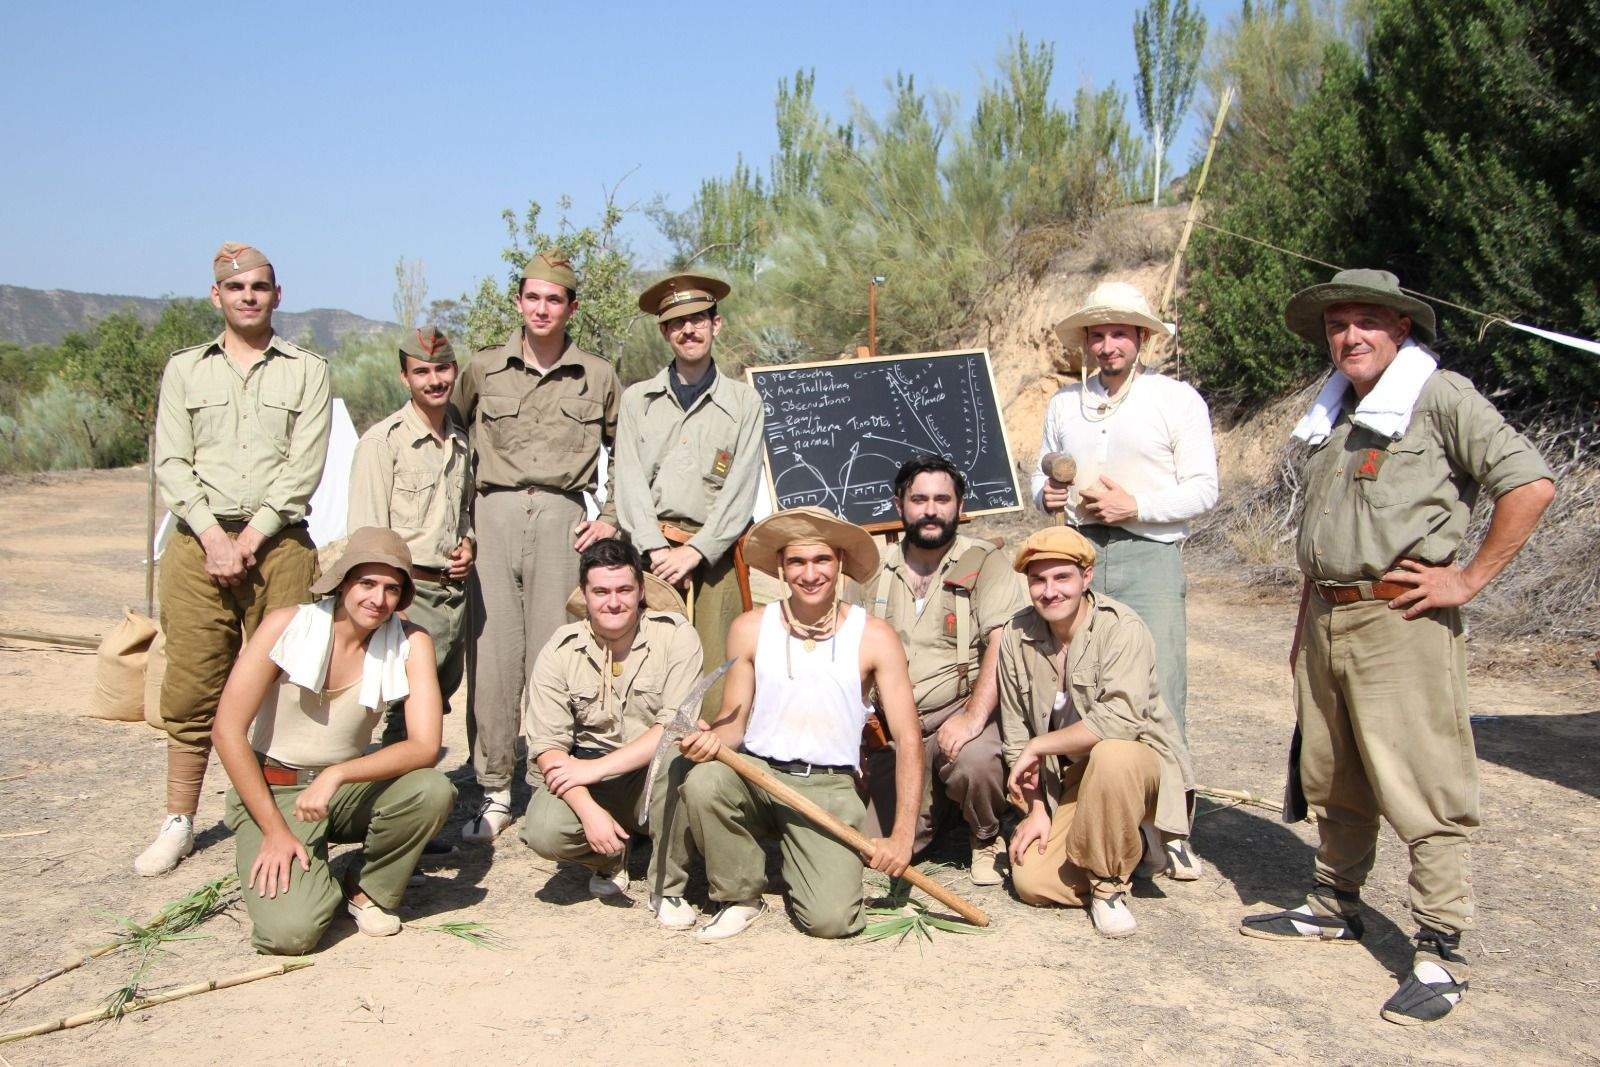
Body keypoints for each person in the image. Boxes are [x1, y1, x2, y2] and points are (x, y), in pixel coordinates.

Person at [1241, 269, 1556, 1026]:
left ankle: (1440, 949)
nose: (1349, 337)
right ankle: (1333, 899)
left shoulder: (1439, 396)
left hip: (1400, 617)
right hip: (1327, 615)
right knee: (1333, 768)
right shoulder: (1336, 413)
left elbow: (1530, 483)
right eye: (1337, 325)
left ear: (1401, 328)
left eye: (1366, 322)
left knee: (1421, 779)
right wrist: (1302, 629)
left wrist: (1468, 578)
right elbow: (1326, 534)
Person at [138, 242, 330, 877]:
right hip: (199, 544)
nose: (249, 296)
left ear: (278, 295)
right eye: (237, 286)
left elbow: (305, 464)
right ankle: (179, 819)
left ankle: (279, 812)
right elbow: (171, 460)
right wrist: (214, 538)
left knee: (287, 682)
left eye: (261, 286)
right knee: (194, 680)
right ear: (215, 296)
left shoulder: (307, 369)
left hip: (278, 545)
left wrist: (250, 539)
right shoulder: (186, 370)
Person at [1032, 280, 1216, 879]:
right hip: (1079, 554)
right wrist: (1050, 493)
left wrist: (1135, 507)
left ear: (1141, 338)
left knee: (1159, 687)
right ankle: (1099, 811)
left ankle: (1174, 824)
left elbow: (1202, 490)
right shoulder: (1065, 404)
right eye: (1097, 334)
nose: (1108, 345)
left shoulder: (1175, 399)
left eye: (1119, 333)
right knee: (1081, 682)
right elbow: (1041, 484)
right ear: (1085, 342)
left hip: (1148, 554)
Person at [671, 507, 923, 942]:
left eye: (821, 560)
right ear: (783, 569)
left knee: (832, 922)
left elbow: (909, 738)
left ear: (840, 562)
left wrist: (901, 838)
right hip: (758, 775)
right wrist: (710, 741)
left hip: (829, 788)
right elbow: (734, 721)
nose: (810, 573)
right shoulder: (751, 628)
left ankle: (802, 858)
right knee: (705, 781)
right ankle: (740, 894)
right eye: (797, 562)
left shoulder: (874, 636)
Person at [211, 527, 456, 954]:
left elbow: (424, 746)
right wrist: (273, 830)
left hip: (343, 787)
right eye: (367, 583)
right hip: (276, 789)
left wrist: (338, 774)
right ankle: (306, 872)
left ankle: (364, 886)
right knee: (290, 935)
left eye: (391, 589)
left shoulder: (411, 641)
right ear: (343, 582)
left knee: (432, 790)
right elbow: (227, 730)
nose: (377, 600)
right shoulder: (287, 625)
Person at [451, 252, 621, 844]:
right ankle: (494, 790)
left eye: (555, 299)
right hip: (493, 516)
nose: (542, 308)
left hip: (563, 520)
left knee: (557, 656)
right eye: (533, 297)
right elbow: (452, 444)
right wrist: (461, 529)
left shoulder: (596, 375)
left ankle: (552, 781)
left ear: (572, 307)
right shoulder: (482, 369)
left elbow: (627, 447)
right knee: (493, 659)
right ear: (519, 302)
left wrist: (613, 516)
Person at [997, 526, 1193, 939]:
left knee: (1113, 754)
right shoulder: (1016, 635)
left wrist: (1041, 744)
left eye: (1062, 577)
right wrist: (1035, 810)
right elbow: (1016, 734)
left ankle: (1109, 888)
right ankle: (1133, 845)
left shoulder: (1122, 628)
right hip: (1071, 777)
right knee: (1033, 883)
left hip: (1135, 768)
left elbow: (1119, 722)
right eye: (1038, 579)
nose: (1050, 591)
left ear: (1086, 577)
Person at [520, 539, 702, 927]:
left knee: (680, 759)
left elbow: (673, 727)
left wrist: (593, 770)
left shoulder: (675, 636)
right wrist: (588, 810)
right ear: (585, 595)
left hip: (654, 771)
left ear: (640, 592)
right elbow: (548, 746)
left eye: (624, 590)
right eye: (600, 591)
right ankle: (609, 857)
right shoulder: (559, 649)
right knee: (544, 831)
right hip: (590, 776)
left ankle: (666, 887)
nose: (613, 602)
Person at [861, 455, 1025, 886]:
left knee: (977, 762)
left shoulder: (984, 561)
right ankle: (941, 811)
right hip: (893, 729)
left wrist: (972, 717)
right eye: (919, 499)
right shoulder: (872, 568)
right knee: (870, 848)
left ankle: (985, 833)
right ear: (900, 505)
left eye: (941, 499)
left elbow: (1000, 641)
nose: (930, 509)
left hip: (956, 712)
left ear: (958, 505)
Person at [614, 273, 764, 720]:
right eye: (677, 323)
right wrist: (656, 549)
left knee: (717, 668)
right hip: (652, 557)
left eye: (698, 319)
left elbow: (741, 489)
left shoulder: (743, 403)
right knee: (648, 664)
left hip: (714, 558)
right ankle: (645, 772)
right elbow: (629, 482)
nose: (689, 330)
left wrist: (696, 552)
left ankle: (708, 773)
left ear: (716, 325)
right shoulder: (637, 400)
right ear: (664, 332)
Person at [347, 325, 473, 745]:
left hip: (452, 594)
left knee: (436, 698)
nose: (433, 380)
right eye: (421, 372)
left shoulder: (460, 441)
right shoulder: (382, 443)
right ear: (405, 378)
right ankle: (393, 786)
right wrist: (389, 602)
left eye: (441, 369)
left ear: (455, 371)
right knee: (399, 701)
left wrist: (470, 544)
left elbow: (463, 512)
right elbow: (366, 535)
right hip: (409, 593)